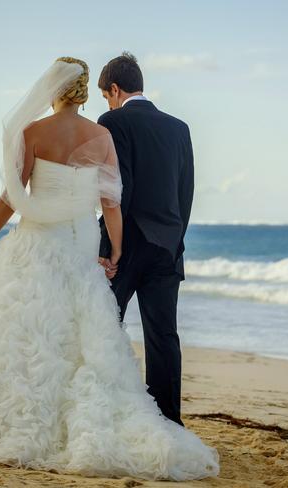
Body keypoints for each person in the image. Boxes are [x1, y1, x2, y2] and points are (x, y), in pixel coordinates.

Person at [0, 56, 219, 481]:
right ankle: (167, 421)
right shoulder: (151, 130)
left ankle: (23, 411)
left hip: (66, 242)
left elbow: (17, 198)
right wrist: (143, 244)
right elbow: (155, 197)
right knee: (118, 334)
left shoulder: (52, 131)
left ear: (59, 90)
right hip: (140, 246)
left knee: (45, 329)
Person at [96, 52, 194, 427]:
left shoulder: (113, 121)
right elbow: (185, 193)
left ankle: (105, 414)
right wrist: (175, 241)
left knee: (106, 328)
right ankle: (168, 423)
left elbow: (118, 190)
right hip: (168, 247)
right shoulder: (179, 128)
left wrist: (109, 248)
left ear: (115, 89)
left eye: (107, 95)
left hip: (127, 245)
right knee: (163, 337)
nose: (107, 102)